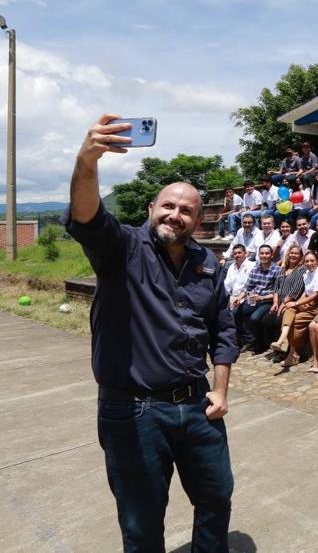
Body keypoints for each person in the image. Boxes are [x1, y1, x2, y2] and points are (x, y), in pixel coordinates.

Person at [65, 114, 236, 550]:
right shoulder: (120, 248)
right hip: (135, 412)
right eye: (168, 206)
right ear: (151, 209)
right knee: (142, 522)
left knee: (217, 496)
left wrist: (221, 390)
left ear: (198, 220)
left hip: (198, 405)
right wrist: (88, 160)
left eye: (186, 210)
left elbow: (223, 330)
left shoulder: (207, 264)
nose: (175, 215)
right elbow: (87, 217)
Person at [232, 243, 279, 353]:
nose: (264, 255)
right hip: (253, 299)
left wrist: (262, 297)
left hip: (268, 301)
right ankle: (248, 340)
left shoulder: (277, 270)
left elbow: (278, 292)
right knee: (234, 312)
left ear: (271, 255)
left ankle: (261, 343)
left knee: (255, 318)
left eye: (267, 253)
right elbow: (247, 287)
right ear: (258, 255)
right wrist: (239, 298)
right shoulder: (256, 268)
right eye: (262, 253)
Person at [223, 244, 254, 309]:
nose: (237, 255)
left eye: (239, 253)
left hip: (247, 299)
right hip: (233, 297)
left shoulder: (252, 266)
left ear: (245, 253)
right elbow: (227, 285)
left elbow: (251, 287)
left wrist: (240, 299)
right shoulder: (231, 267)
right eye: (235, 253)